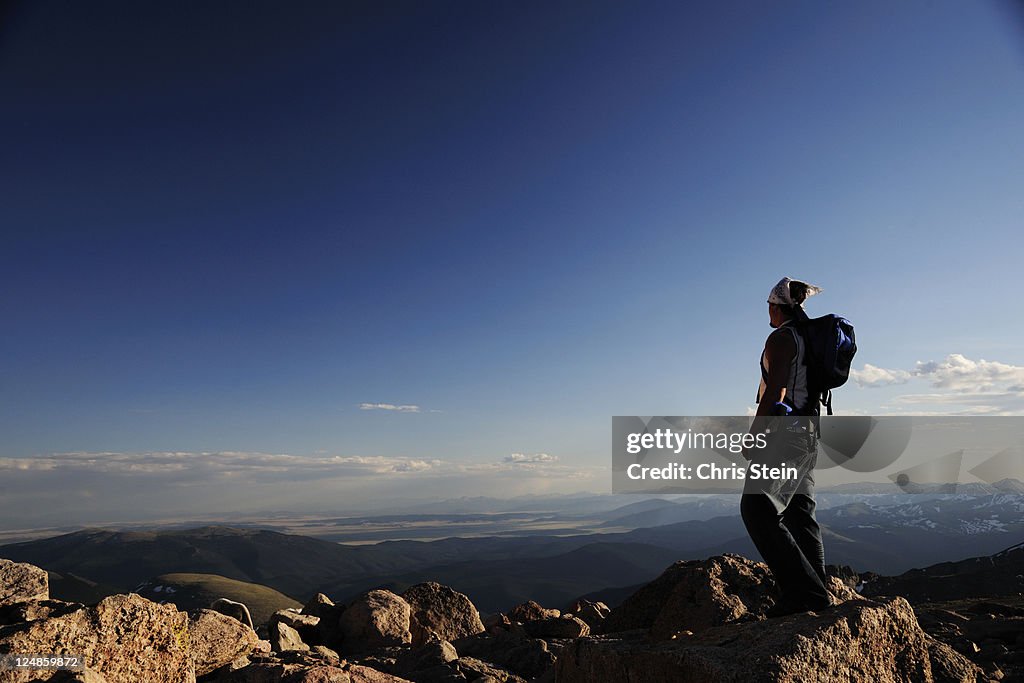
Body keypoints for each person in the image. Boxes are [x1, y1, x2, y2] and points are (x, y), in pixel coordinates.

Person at [741, 277, 832, 617]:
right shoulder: (808, 338)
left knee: (757, 510)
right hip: (808, 431)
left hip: (786, 433)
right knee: (799, 513)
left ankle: (806, 595)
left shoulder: (781, 338)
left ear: (777, 308)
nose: (767, 311)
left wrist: (756, 435)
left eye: (769, 306)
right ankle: (816, 592)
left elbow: (776, 391)